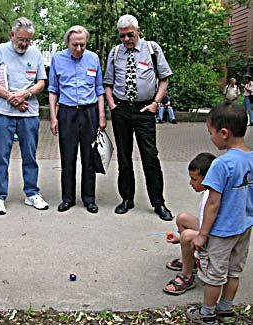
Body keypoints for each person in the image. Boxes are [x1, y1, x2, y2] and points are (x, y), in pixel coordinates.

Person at [186, 102, 253, 324]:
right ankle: (225, 310)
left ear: (224, 133)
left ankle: (207, 315)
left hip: (222, 231)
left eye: (211, 132)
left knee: (214, 276)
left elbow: (213, 203)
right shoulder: (251, 158)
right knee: (233, 272)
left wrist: (202, 234)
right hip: (244, 228)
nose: (211, 137)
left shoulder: (221, 164)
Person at [103, 14, 173, 221]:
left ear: (138, 30)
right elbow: (108, 82)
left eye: (130, 35)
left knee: (149, 156)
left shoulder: (152, 49)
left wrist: (155, 103)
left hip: (145, 110)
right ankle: (126, 199)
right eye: (122, 36)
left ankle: (158, 202)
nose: (126, 39)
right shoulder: (115, 52)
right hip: (122, 110)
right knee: (124, 157)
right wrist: (112, 105)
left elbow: (164, 78)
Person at [0, 17, 49, 215]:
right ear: (12, 35)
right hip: (4, 112)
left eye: (28, 40)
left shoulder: (35, 53)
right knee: (1, 155)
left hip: (29, 112)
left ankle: (31, 193)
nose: (24, 44)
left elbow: (41, 83)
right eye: (21, 39)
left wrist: (25, 94)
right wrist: (11, 97)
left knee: (30, 154)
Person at [48, 25, 106, 213]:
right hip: (67, 113)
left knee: (89, 157)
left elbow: (99, 89)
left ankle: (89, 198)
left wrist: (102, 116)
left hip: (89, 113)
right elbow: (53, 90)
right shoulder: (57, 59)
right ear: (67, 43)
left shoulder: (93, 58)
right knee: (68, 156)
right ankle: (68, 198)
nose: (79, 49)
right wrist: (53, 117)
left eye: (82, 45)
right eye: (75, 45)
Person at [163, 152, 216, 296]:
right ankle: (190, 261)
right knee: (182, 218)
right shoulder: (208, 192)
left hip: (216, 239)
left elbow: (211, 230)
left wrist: (181, 239)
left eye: (194, 179)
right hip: (209, 230)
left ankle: (187, 276)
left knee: (186, 236)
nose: (190, 183)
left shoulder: (213, 198)